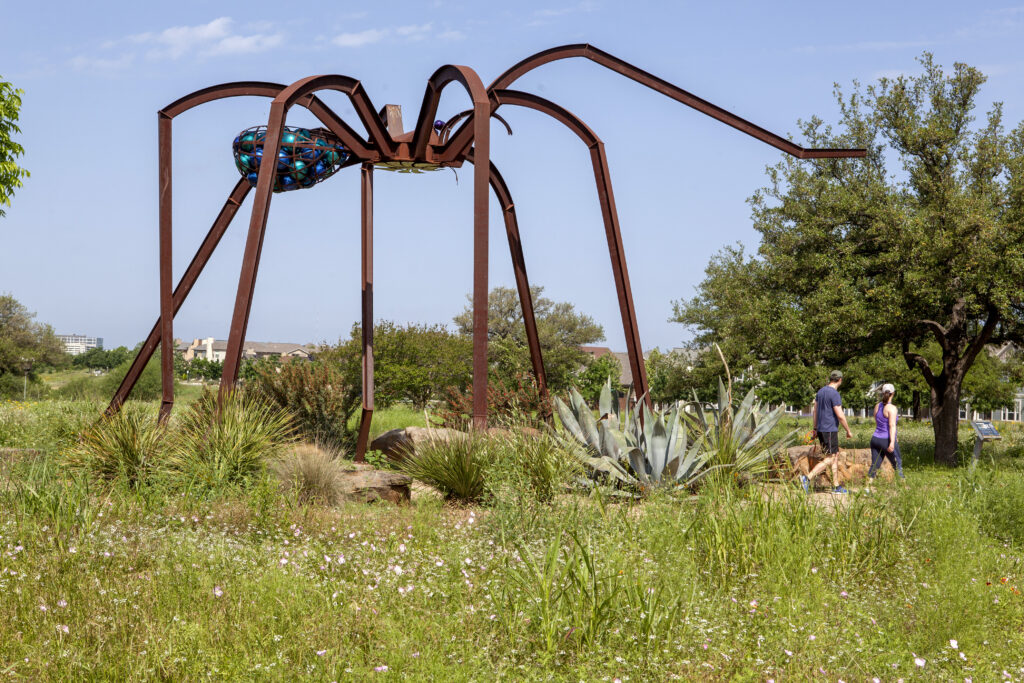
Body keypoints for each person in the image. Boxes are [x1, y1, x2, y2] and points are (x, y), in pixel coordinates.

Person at [802, 369, 854, 493]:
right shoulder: (834, 394)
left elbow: (815, 411)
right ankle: (807, 478)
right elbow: (840, 415)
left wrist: (815, 428)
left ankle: (836, 486)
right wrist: (848, 430)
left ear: (830, 379)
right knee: (830, 458)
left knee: (834, 456)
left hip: (821, 429)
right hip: (829, 429)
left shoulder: (820, 392)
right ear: (840, 380)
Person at [867, 382, 905, 484]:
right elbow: (892, 426)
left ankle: (866, 488)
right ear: (893, 393)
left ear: (882, 393)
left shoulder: (877, 406)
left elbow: (877, 420)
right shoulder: (892, 408)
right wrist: (892, 442)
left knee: (875, 465)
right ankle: (904, 488)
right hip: (886, 440)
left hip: (875, 439)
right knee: (897, 463)